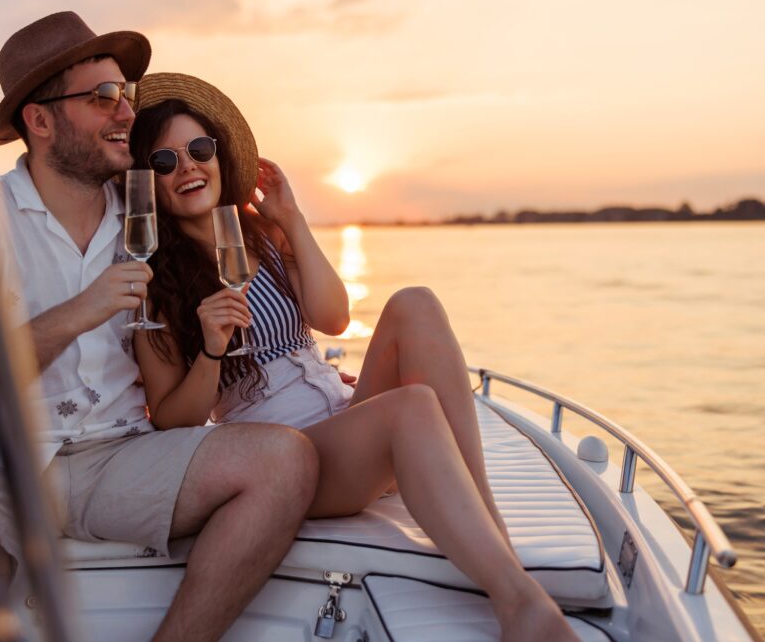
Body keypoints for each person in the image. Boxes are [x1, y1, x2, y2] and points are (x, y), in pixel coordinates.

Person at [128, 72, 580, 642]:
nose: (188, 167)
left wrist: (292, 220)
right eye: (165, 161)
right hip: (292, 457)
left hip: (345, 420)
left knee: (415, 303)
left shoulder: (261, 238)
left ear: (219, 157)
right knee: (413, 406)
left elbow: (334, 317)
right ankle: (521, 605)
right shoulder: (155, 284)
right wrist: (212, 348)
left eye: (199, 149)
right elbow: (173, 419)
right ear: (149, 183)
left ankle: (498, 546)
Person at [0, 12, 318, 642]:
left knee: (285, 461)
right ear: (40, 120)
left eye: (125, 94)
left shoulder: (144, 215)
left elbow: (233, 283)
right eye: (103, 97)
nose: (126, 111)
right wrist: (79, 312)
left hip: (121, 456)